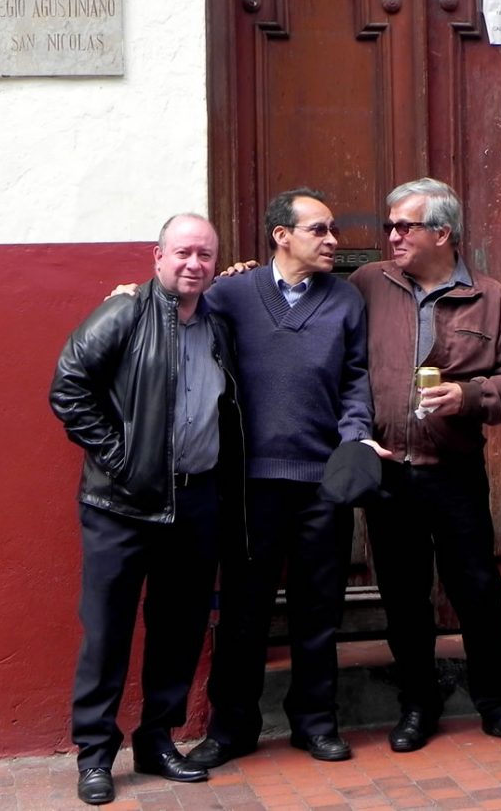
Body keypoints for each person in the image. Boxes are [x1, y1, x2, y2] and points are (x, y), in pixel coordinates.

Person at [49, 214, 245, 805]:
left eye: (205, 256)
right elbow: (68, 388)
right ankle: (95, 756)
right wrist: (122, 459)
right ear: (157, 256)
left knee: (180, 628)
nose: (194, 264)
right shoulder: (125, 313)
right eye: (183, 252)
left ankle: (158, 741)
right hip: (120, 505)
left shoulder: (218, 326)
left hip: (196, 499)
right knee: (107, 633)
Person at [349, 178, 501, 753]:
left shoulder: (491, 298)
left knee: (478, 591)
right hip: (387, 472)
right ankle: (418, 704)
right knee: (403, 598)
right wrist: (236, 277)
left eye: (404, 226)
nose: (392, 236)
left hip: (454, 471)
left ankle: (498, 705)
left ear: (443, 232)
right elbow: (304, 302)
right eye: (389, 225)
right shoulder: (368, 284)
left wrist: (469, 397)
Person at [183, 188, 379, 766]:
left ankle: (315, 722)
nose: (332, 241)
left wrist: (354, 439)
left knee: (320, 608)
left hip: (323, 482)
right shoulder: (231, 294)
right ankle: (230, 730)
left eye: (332, 229)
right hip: (249, 485)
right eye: (319, 230)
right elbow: (185, 332)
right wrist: (129, 298)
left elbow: (356, 380)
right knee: (244, 609)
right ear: (281, 235)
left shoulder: (344, 300)